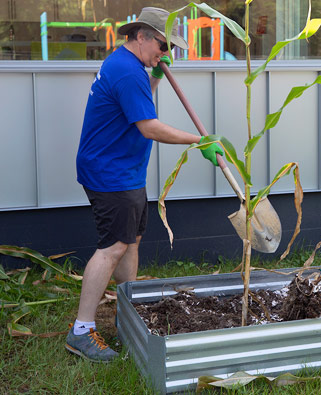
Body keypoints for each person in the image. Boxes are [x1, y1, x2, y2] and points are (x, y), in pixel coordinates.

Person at [66, 7, 224, 362]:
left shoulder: (130, 66)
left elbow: (138, 104)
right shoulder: (125, 72)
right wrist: (198, 141)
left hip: (125, 171)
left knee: (130, 241)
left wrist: (155, 75)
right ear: (141, 36)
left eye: (170, 49)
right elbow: (148, 126)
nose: (166, 53)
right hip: (110, 173)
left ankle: (127, 310)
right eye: (163, 45)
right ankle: (81, 330)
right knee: (112, 247)